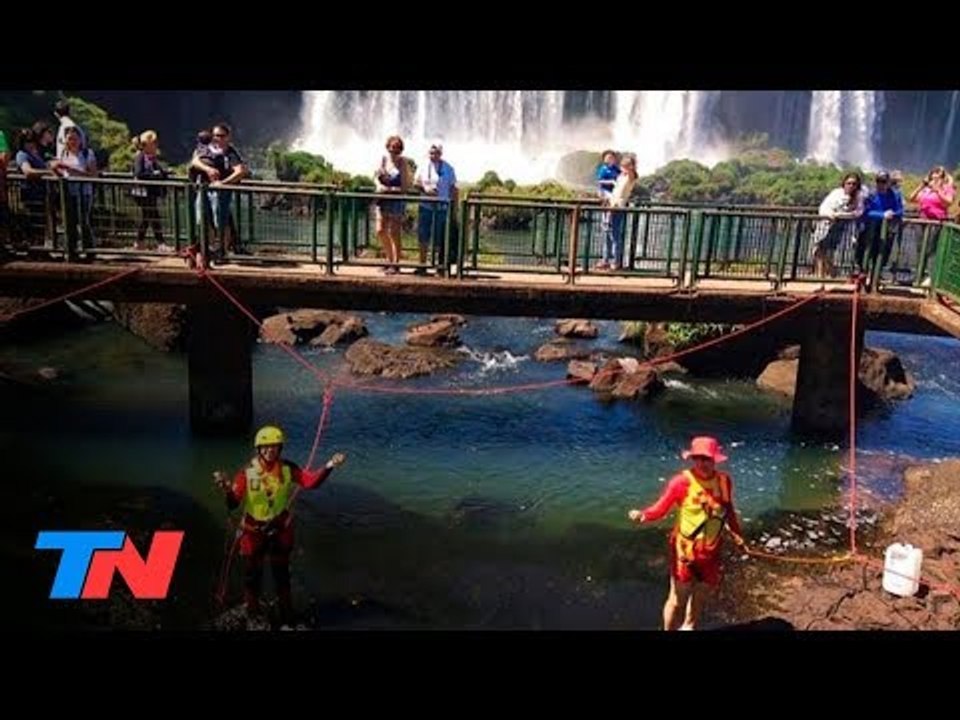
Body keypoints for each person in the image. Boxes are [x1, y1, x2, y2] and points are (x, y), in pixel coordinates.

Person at [213, 425, 346, 627]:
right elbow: (233, 503)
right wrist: (226, 489)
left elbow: (310, 482)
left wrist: (330, 465)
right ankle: (252, 612)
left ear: (280, 449)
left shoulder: (287, 468)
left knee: (281, 574)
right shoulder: (246, 474)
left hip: (279, 528)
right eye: (265, 447)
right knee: (252, 576)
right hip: (254, 531)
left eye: (274, 447)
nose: (270, 451)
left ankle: (286, 612)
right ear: (258, 449)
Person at [627, 436, 745, 630]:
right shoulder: (681, 482)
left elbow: (728, 510)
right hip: (685, 552)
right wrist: (644, 515)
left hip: (711, 550)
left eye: (707, 458)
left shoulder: (724, 481)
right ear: (692, 458)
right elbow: (661, 508)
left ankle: (688, 626)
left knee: (702, 593)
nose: (702, 463)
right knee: (678, 599)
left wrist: (737, 534)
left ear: (715, 459)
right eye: (698, 458)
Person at [414, 141, 458, 275]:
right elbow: (415, 183)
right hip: (425, 205)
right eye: (431, 153)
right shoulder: (422, 165)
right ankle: (422, 264)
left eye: (436, 153)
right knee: (423, 235)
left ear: (441, 153)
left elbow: (453, 188)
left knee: (441, 237)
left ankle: (440, 266)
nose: (434, 155)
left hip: (442, 207)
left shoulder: (449, 168)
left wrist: (454, 208)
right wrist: (426, 190)